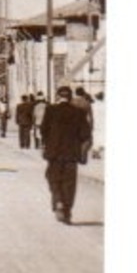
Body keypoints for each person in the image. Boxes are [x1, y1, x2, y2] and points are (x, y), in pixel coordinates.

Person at [39, 85, 91, 224]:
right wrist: (83, 151)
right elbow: (85, 134)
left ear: (57, 96)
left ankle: (58, 201)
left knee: (53, 177)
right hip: (71, 153)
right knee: (69, 182)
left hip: (54, 152)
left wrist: (45, 143)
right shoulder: (79, 112)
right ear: (70, 97)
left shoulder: (50, 110)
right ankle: (67, 211)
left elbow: (43, 129)